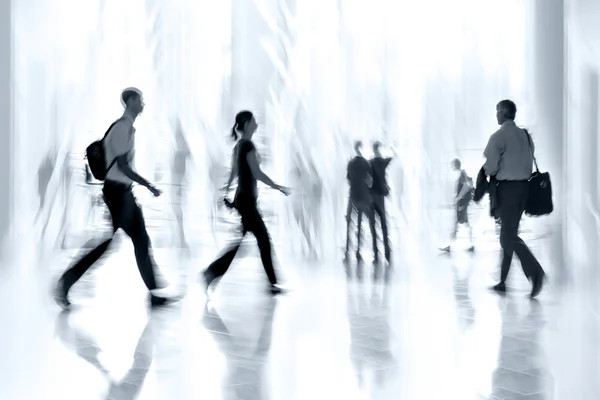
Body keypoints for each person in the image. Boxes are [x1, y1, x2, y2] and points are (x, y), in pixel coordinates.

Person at [54, 87, 176, 309]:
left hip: (123, 193)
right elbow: (122, 165)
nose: (143, 104)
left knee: (139, 240)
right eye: (140, 100)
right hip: (117, 193)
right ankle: (65, 282)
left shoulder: (127, 128)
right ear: (130, 101)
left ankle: (154, 293)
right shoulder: (121, 128)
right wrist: (147, 184)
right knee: (114, 243)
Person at [201, 111, 291, 295]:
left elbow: (234, 171)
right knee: (263, 241)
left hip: (243, 201)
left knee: (243, 243)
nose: (257, 123)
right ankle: (271, 283)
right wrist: (278, 186)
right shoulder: (247, 145)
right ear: (248, 123)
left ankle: (211, 273)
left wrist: (226, 190)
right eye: (254, 120)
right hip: (247, 202)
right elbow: (256, 173)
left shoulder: (239, 145)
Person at [483, 100, 546, 297]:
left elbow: (491, 168)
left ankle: (535, 272)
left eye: (496, 111)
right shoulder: (525, 135)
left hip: (507, 191)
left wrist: (489, 170)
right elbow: (530, 157)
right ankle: (502, 281)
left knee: (507, 237)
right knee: (508, 233)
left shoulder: (498, 137)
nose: (496, 115)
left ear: (503, 112)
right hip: (523, 190)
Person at [344, 140, 375, 263]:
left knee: (349, 224)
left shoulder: (350, 163)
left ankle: (347, 251)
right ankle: (358, 251)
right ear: (362, 148)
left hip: (352, 196)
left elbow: (348, 179)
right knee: (361, 223)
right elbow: (370, 182)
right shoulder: (366, 163)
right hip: (363, 196)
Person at [440, 159, 475, 253]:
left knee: (461, 223)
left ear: (456, 165)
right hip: (462, 203)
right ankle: (452, 245)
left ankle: (452, 245)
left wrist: (458, 198)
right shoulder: (462, 174)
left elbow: (466, 186)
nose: (451, 167)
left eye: (452, 165)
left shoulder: (461, 174)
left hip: (462, 203)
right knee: (460, 224)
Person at [369, 141, 395, 264]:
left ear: (373, 150)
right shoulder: (383, 162)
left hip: (371, 196)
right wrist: (392, 148)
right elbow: (393, 157)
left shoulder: (370, 163)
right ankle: (387, 253)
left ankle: (376, 255)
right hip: (381, 197)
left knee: (373, 226)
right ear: (379, 149)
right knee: (384, 224)